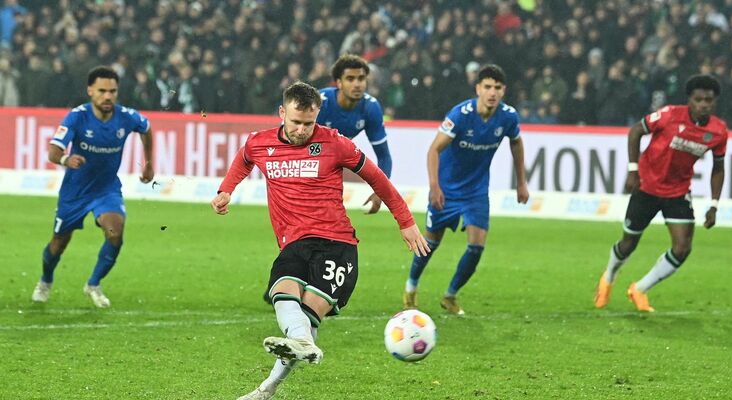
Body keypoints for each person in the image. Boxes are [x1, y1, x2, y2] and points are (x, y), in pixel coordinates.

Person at [211, 82, 429, 400]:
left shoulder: (335, 143)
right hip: (295, 243)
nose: (301, 130)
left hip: (337, 245)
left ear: (317, 117)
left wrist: (406, 222)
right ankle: (273, 382)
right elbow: (244, 160)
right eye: (296, 122)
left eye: (308, 123)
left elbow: (377, 177)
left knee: (307, 321)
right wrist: (226, 189)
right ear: (282, 113)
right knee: (282, 295)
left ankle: (269, 384)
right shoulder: (260, 142)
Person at [401, 64, 529, 315]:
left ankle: (450, 295)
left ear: (503, 91)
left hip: (476, 192)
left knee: (477, 245)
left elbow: (516, 143)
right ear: (478, 88)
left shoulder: (508, 117)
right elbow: (433, 150)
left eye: (498, 87)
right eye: (488, 87)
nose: (492, 92)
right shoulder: (460, 115)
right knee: (430, 243)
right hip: (447, 190)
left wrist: (521, 181)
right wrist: (435, 186)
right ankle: (411, 286)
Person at [593, 74, 727, 312]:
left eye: (709, 100)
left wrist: (714, 204)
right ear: (690, 100)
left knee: (682, 247)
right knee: (628, 244)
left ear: (715, 101)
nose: (704, 104)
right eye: (699, 99)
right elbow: (635, 131)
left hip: (677, 192)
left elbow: (718, 167)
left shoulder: (718, 131)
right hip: (646, 187)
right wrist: (633, 170)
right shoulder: (669, 115)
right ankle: (609, 277)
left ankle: (640, 289)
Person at [31, 65, 154, 308]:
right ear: (90, 91)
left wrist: (149, 163)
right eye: (102, 91)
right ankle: (45, 280)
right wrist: (67, 160)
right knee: (58, 243)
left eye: (112, 91)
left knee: (115, 233)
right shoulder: (77, 117)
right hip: (75, 192)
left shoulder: (127, 117)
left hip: (106, 189)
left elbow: (147, 129)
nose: (108, 96)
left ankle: (94, 284)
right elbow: (53, 151)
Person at [317, 54, 391, 214]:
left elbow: (384, 156)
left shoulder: (370, 108)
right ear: (339, 83)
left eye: (361, 78)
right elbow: (293, 143)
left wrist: (380, 191)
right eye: (350, 79)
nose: (357, 84)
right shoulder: (320, 103)